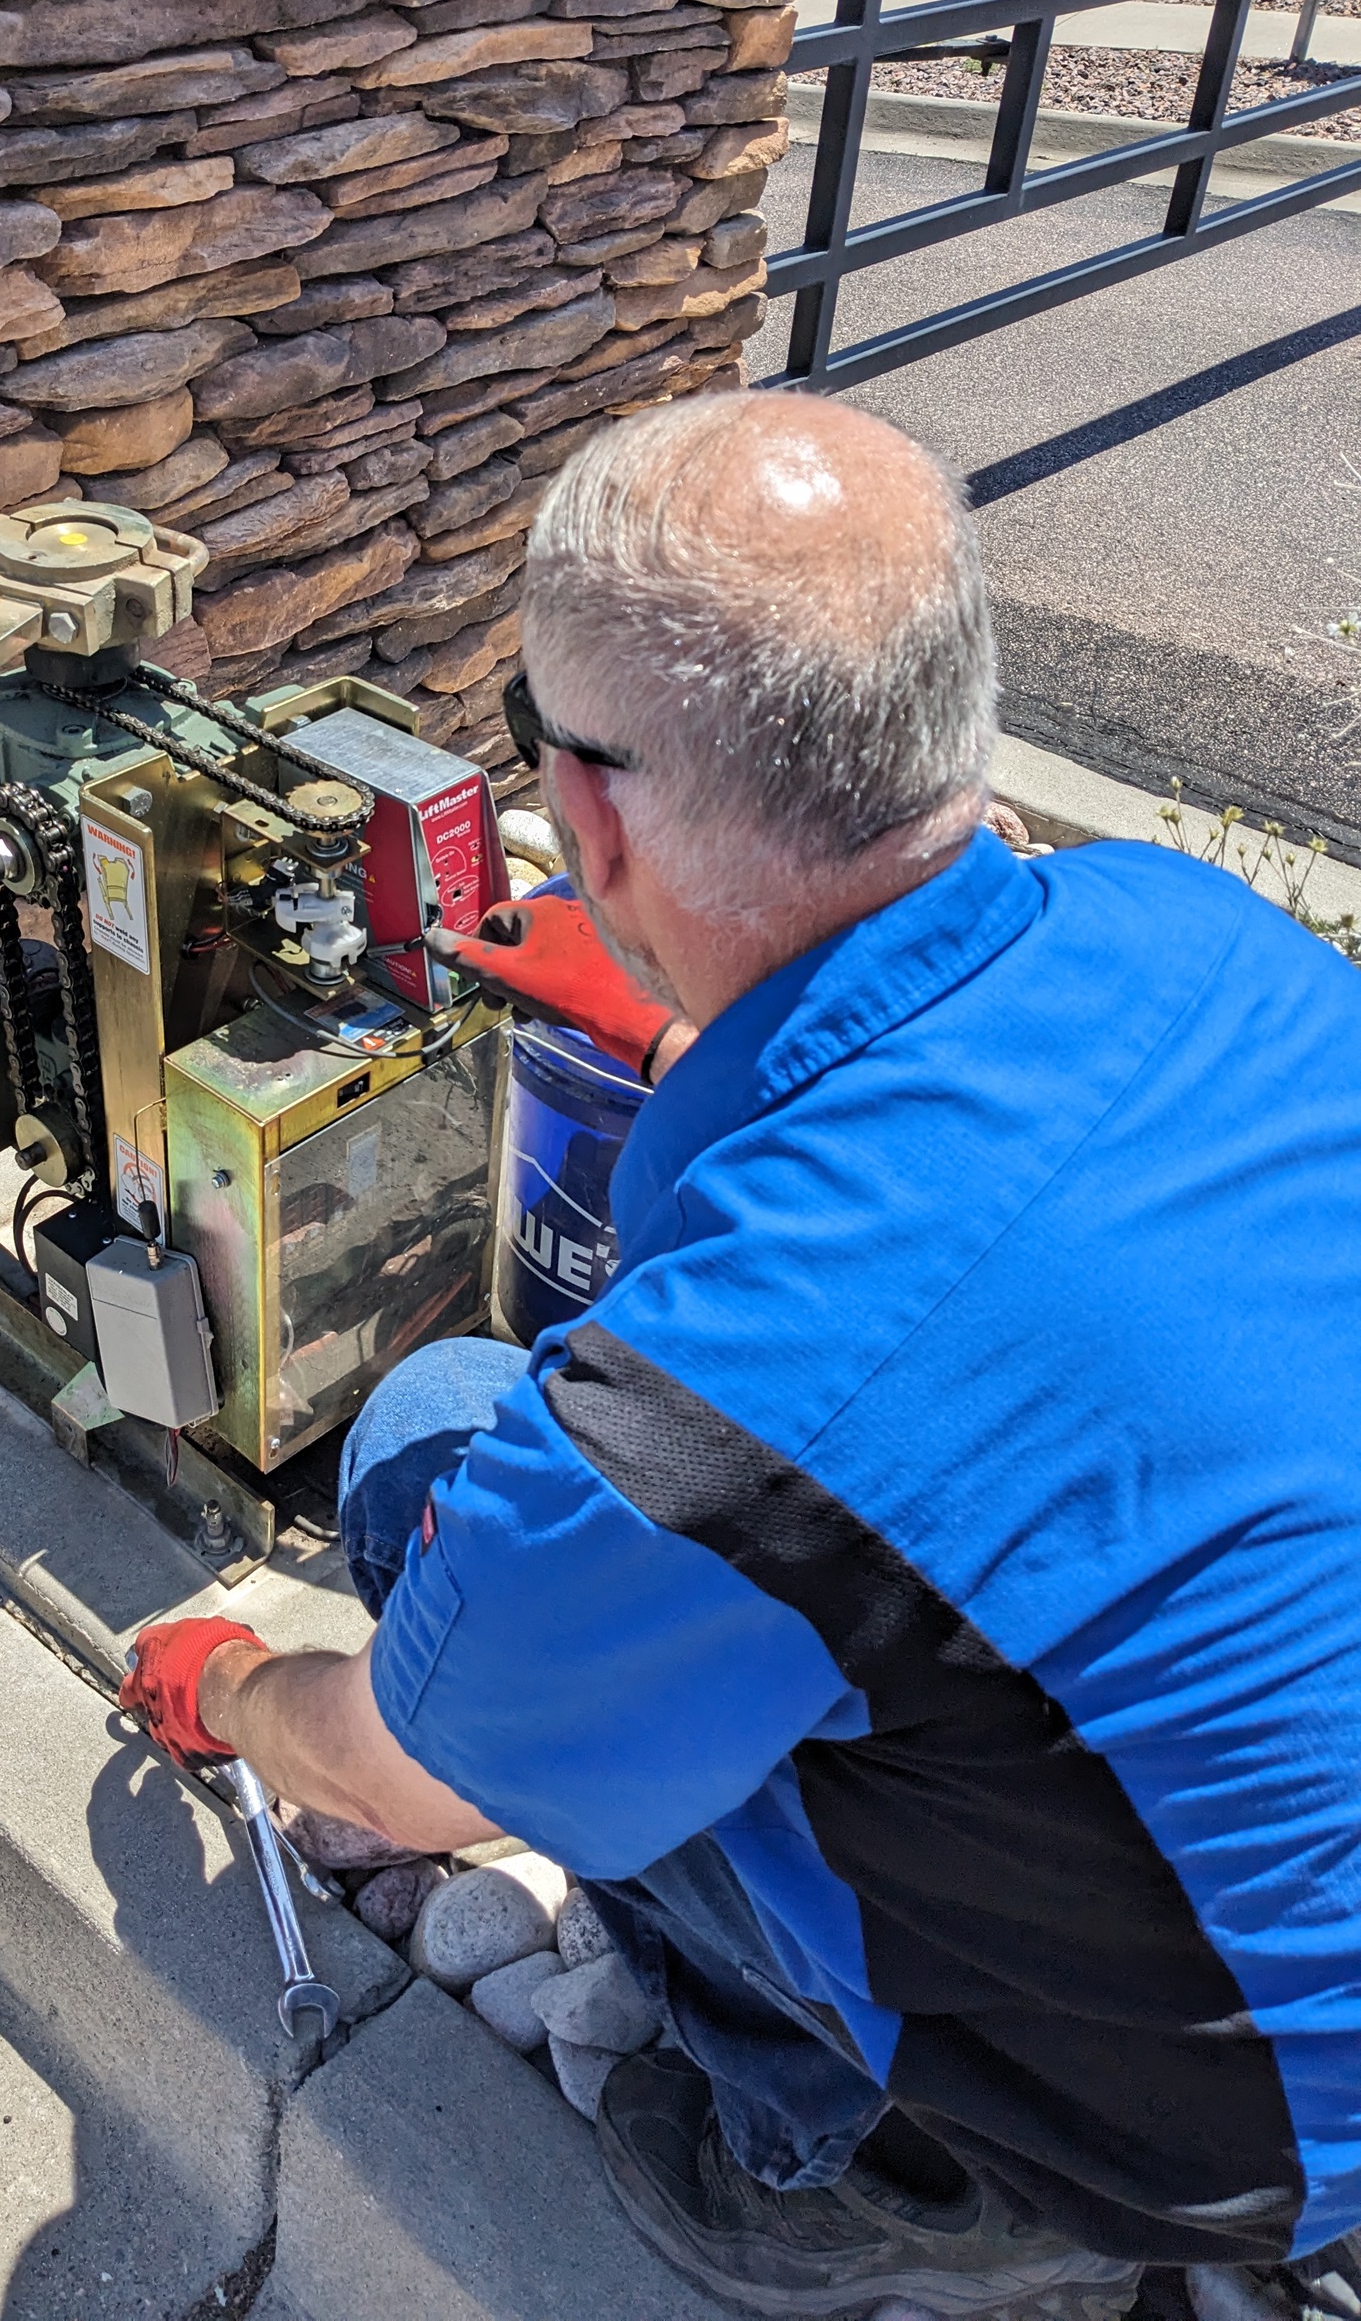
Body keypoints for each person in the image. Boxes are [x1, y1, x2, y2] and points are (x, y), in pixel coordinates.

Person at [123, 390, 1361, 2321]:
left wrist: (235, 1691)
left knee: (433, 1442)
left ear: (587, 813)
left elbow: (410, 1772)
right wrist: (717, 1044)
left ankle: (871, 2178)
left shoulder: (728, 1411)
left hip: (1241, 2141)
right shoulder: (1203, 933)